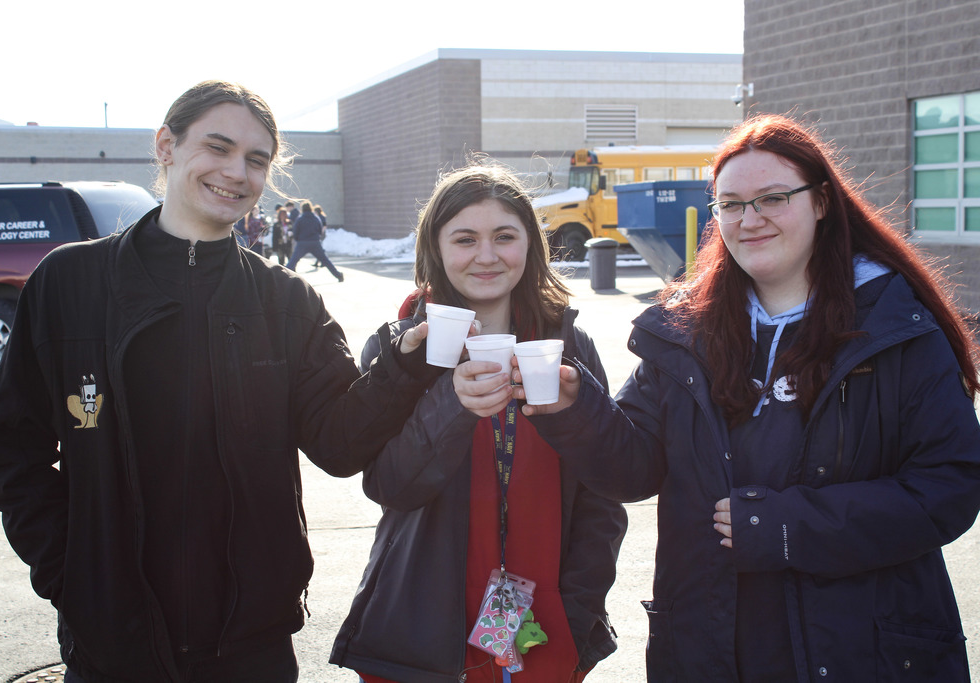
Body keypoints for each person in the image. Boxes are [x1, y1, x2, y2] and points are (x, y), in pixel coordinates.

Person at [0, 80, 438, 683]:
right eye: (217, 148)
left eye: (255, 159)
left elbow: (339, 444)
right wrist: (69, 571)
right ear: (167, 145)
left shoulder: (287, 302)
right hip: (113, 641)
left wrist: (401, 365)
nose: (235, 172)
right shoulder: (70, 283)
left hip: (250, 640)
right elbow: (10, 445)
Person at [521, 114, 980, 681]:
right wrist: (575, 409)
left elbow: (949, 487)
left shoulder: (894, 328)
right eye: (731, 204)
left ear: (822, 202)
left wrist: (786, 525)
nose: (749, 219)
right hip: (708, 643)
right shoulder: (687, 332)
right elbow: (635, 471)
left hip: (861, 647)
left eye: (772, 198)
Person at [329, 163, 627, 682]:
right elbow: (389, 486)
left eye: (504, 237)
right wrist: (452, 403)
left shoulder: (568, 348)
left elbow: (603, 494)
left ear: (529, 245)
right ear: (436, 249)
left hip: (543, 620)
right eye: (465, 239)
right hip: (424, 624)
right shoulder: (400, 351)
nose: (487, 256)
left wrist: (576, 611)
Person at [285, 200, 343, 282]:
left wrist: (298, 239)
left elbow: (295, 231)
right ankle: (338, 275)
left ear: (302, 209)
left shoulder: (300, 219)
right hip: (315, 242)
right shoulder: (316, 218)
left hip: (302, 242)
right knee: (325, 260)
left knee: (293, 261)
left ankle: (283, 277)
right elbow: (320, 230)